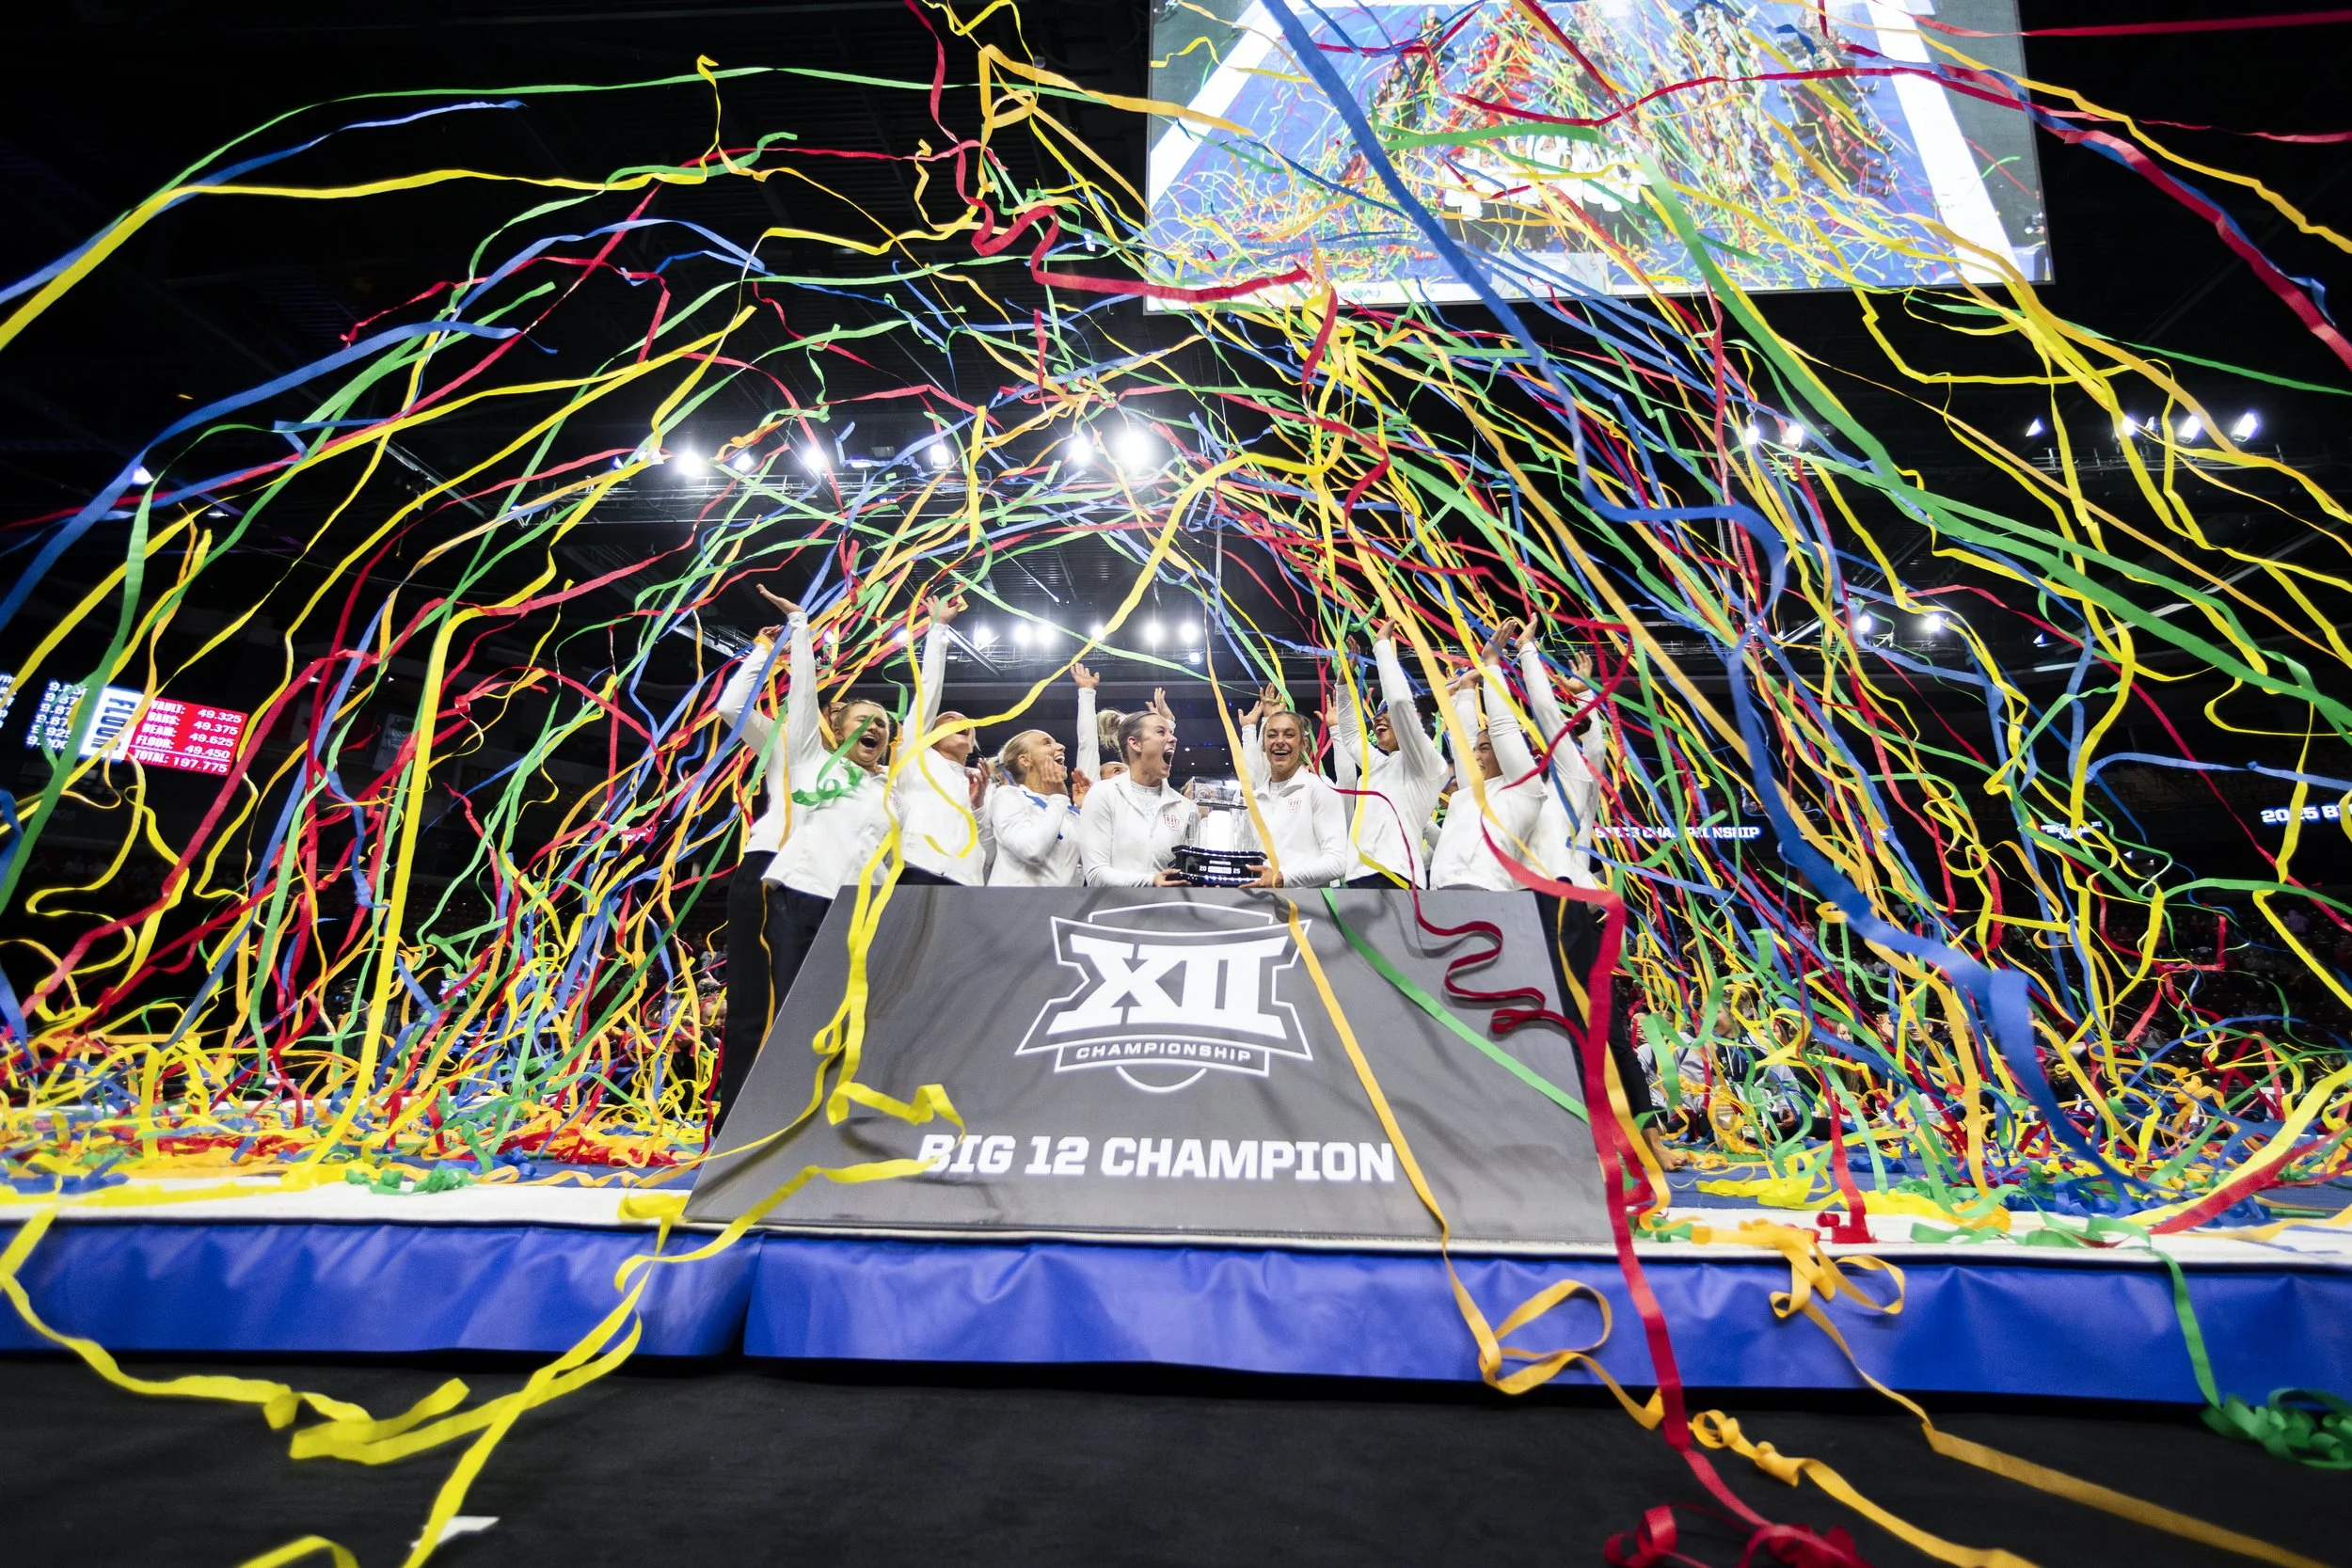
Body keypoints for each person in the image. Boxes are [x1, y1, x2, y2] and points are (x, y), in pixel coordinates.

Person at [717, 583, 897, 1117]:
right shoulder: (801, 751)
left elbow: (890, 857)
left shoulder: (886, 789)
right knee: (764, 1008)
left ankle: (809, 1121)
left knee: (828, 1015)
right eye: (863, 721)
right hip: (779, 878)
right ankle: (744, 1126)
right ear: (834, 725)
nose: (875, 730)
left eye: (884, 725)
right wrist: (791, 636)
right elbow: (739, 705)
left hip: (846, 906)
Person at [711, 611, 797, 1117]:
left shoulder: (873, 776)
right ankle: (739, 1121)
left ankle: (796, 1120)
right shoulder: (787, 744)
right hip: (773, 867)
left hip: (834, 887)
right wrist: (763, 654)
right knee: (755, 1001)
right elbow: (733, 707)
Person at [1328, 619, 1451, 888]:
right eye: (1378, 714)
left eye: (1385, 714)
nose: (1377, 719)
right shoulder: (1379, 765)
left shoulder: (1427, 763)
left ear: (1414, 720)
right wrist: (1344, 684)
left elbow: (1399, 703)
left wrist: (1382, 646)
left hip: (1398, 877)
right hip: (1358, 876)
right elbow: (1350, 738)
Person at [1425, 626, 1547, 893]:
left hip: (1483, 894)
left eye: (1485, 748)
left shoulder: (1524, 789)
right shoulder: (1473, 790)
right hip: (1437, 898)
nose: (1475, 755)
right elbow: (1461, 740)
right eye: (1477, 749)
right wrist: (1466, 690)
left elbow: (1503, 727)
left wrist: (1492, 665)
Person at [893, 596, 992, 886]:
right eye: (949, 720)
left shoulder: (983, 782)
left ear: (973, 744)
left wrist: (980, 807)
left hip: (969, 882)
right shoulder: (916, 760)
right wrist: (938, 629)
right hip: (917, 868)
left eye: (966, 724)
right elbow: (926, 695)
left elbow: (990, 846)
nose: (961, 723)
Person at [987, 664, 1099, 886]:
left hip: (1058, 913)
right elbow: (1031, 850)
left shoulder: (1070, 811)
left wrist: (1087, 813)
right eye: (1047, 743)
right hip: (1011, 913)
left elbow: (1088, 868)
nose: (1061, 747)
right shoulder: (1008, 797)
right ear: (1025, 760)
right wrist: (1059, 798)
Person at [1233, 687, 1351, 888]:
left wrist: (1282, 878)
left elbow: (1338, 861)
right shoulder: (1253, 799)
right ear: (1263, 745)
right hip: (1259, 908)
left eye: (1289, 735)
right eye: (1272, 735)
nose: (1280, 741)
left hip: (1308, 910)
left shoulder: (1319, 788)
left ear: (1303, 743)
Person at [1077, 707, 1193, 886]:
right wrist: (1150, 881)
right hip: (1113, 911)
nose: (1173, 738)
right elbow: (1095, 874)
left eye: (1171, 732)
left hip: (1167, 911)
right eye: (1161, 732)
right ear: (1136, 744)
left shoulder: (1185, 806)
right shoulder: (1103, 794)